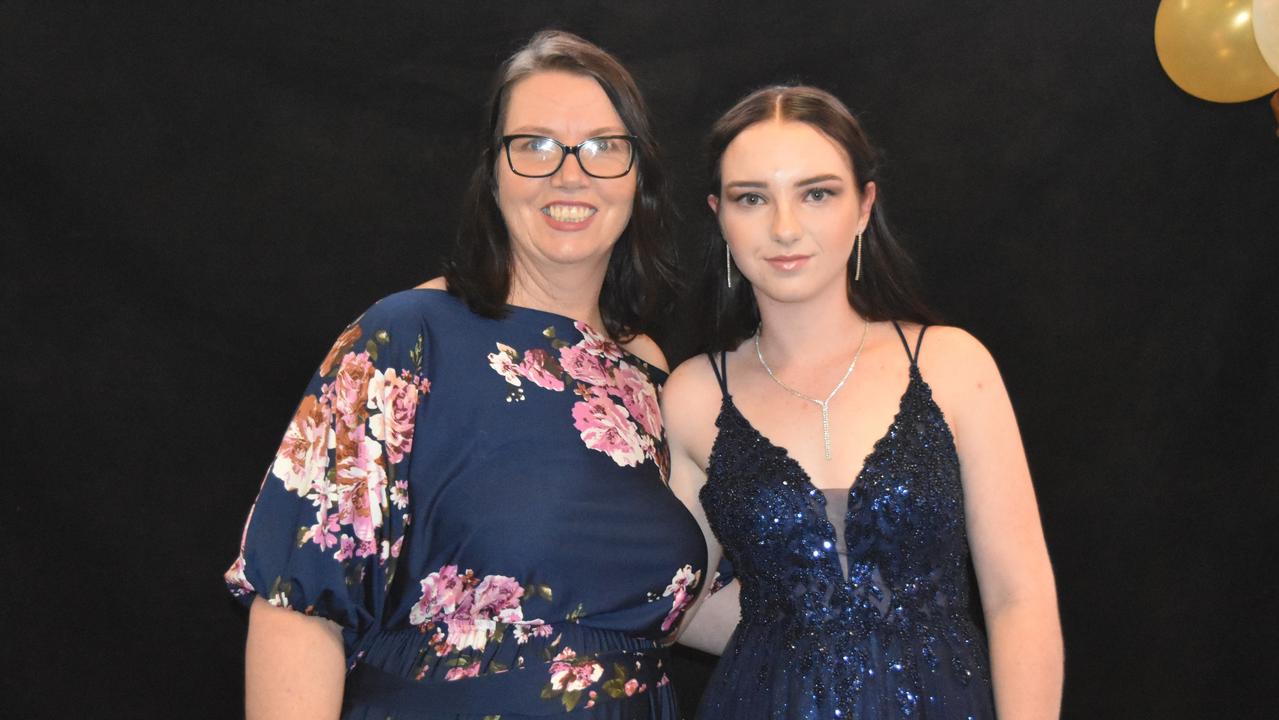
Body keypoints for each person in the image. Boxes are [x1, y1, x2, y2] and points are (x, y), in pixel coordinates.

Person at [225, 30, 706, 719]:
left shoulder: (647, 371)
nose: (570, 173)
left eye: (603, 145)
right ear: (493, 172)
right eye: (535, 144)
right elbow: (297, 608)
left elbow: (678, 603)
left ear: (639, 177)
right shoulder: (406, 337)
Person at [664, 86, 1063, 718]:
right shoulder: (691, 394)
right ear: (719, 216)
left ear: (863, 207)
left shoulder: (953, 365)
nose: (785, 227)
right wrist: (792, 629)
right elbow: (667, 601)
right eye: (752, 198)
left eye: (816, 193)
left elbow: (1020, 597)